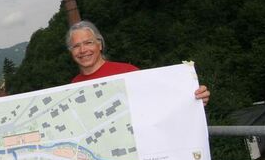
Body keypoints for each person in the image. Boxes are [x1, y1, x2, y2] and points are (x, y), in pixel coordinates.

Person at [67, 20, 210, 105]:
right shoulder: (72, 87)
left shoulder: (128, 72)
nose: (83, 50)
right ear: (71, 52)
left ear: (100, 45)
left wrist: (194, 99)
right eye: (76, 46)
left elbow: (159, 100)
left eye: (88, 43)